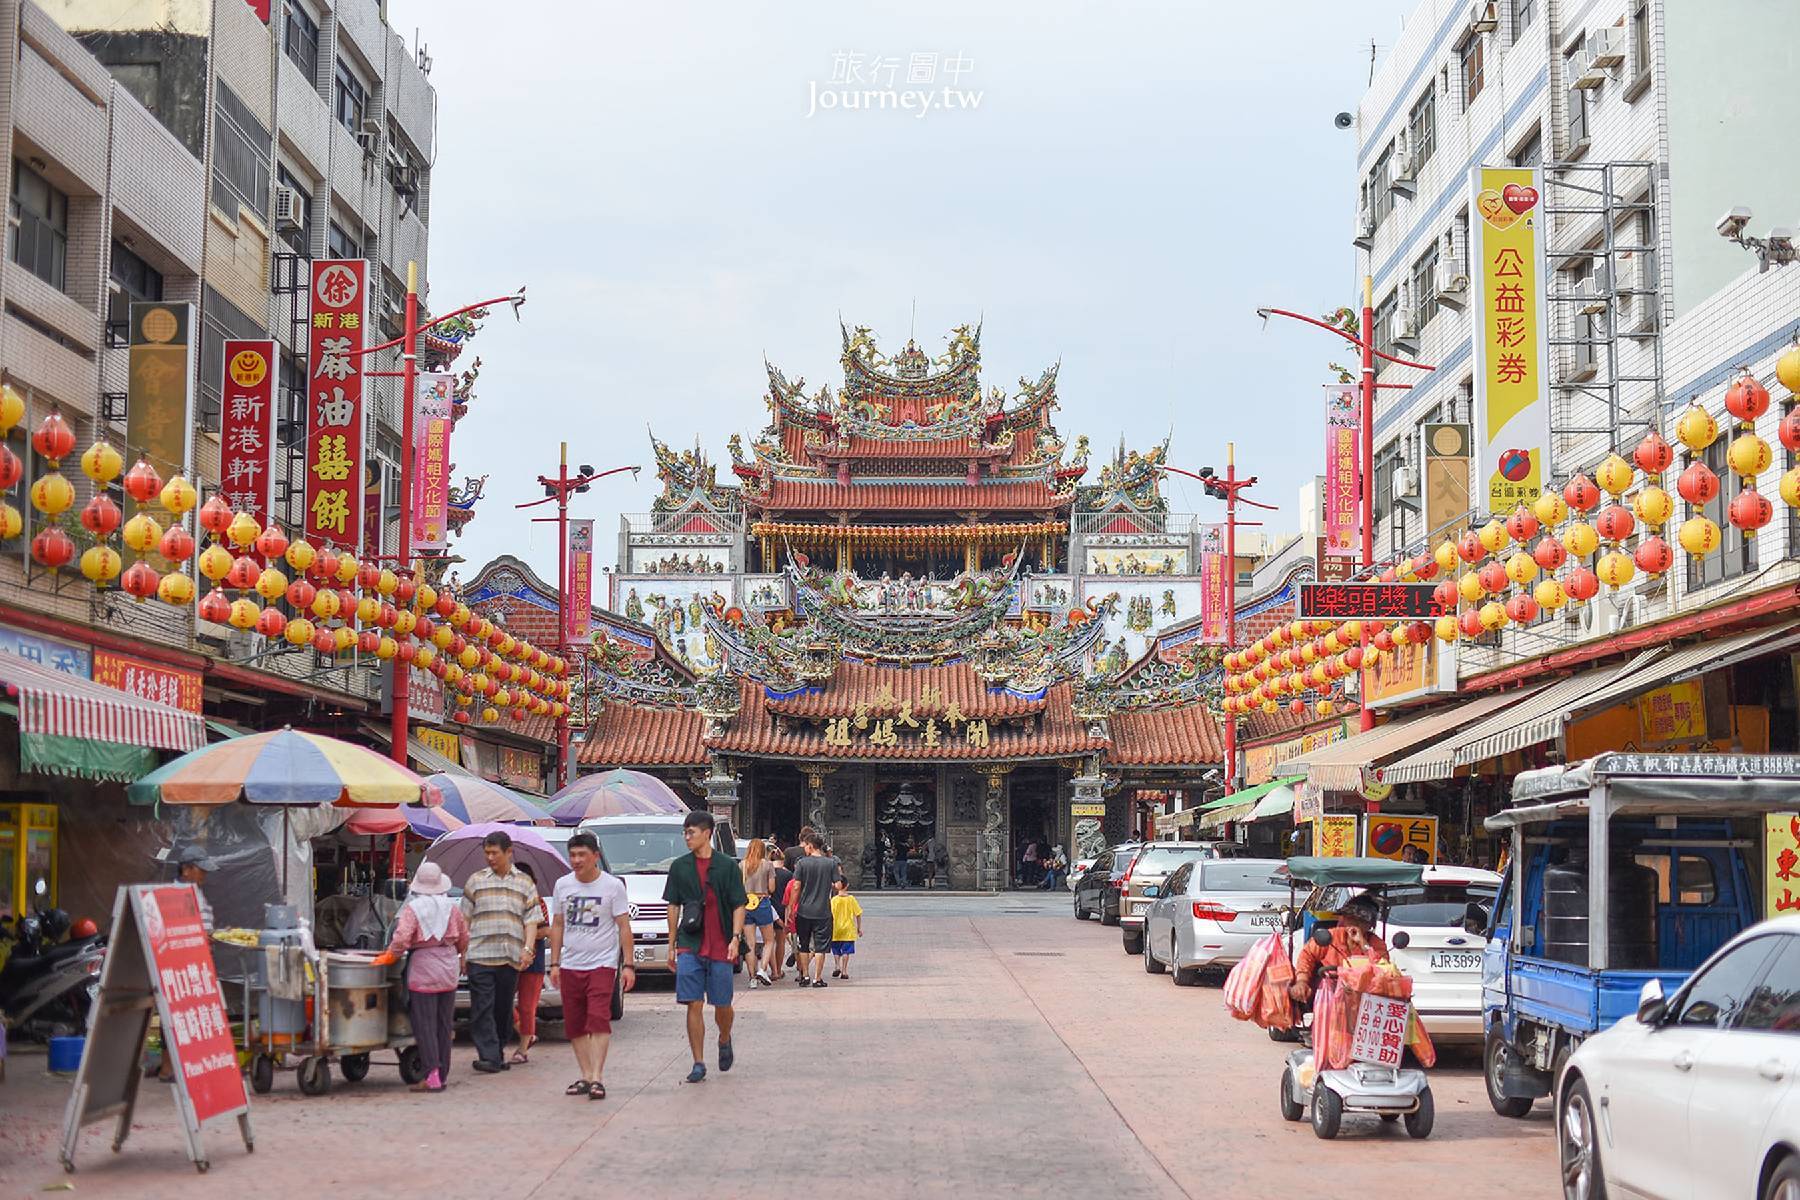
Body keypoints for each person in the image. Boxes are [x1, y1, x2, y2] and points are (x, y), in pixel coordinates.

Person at [662, 811, 746, 1084]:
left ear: (707, 833)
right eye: (685, 833)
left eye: (692, 832)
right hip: (691, 943)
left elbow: (738, 904)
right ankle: (698, 1062)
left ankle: (724, 1037)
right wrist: (671, 943)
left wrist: (735, 937)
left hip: (721, 944)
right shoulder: (679, 867)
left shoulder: (727, 866)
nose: (687, 837)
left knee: (723, 1004)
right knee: (693, 1003)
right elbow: (673, 905)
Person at [549, 831, 634, 1100]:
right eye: (572, 855)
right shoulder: (563, 885)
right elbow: (558, 924)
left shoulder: (612, 886)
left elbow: (623, 926)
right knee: (574, 1024)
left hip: (602, 963)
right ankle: (585, 1075)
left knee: (598, 1019)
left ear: (595, 856)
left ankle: (597, 1077)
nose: (576, 860)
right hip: (571, 963)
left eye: (582, 855)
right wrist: (554, 962)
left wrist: (628, 965)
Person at [460, 830, 540, 1074]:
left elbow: (532, 920)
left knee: (503, 1008)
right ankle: (490, 1057)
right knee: (482, 1006)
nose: (490, 858)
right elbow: (465, 919)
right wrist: (463, 952)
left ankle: (497, 1050)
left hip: (510, 957)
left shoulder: (524, 883)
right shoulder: (476, 881)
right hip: (480, 955)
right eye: (487, 853)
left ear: (508, 852)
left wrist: (528, 948)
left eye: (495, 853)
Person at [382, 862, 468, 1093]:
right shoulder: (452, 907)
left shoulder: (414, 908)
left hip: (423, 968)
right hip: (448, 968)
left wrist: (391, 956)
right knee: (443, 1023)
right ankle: (442, 1073)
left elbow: (400, 939)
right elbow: (464, 937)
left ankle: (431, 1075)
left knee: (425, 1024)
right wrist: (460, 954)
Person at [1289, 895, 1388, 1003]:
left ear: (1370, 925)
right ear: (1343, 919)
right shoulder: (1331, 936)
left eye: (1361, 921)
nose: (1355, 924)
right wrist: (1302, 981)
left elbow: (1384, 968)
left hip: (1364, 998)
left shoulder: (1376, 944)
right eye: (1351, 919)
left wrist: (1363, 944)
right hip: (1330, 996)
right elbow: (1307, 955)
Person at [791, 832, 842, 987]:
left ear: (811, 846)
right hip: (823, 911)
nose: (805, 848)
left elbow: (796, 886)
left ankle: (805, 975)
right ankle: (817, 978)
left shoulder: (802, 863)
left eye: (806, 846)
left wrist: (792, 905)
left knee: (804, 944)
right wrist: (829, 884)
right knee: (821, 946)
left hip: (804, 910)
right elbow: (839, 885)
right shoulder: (831, 863)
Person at [512, 862, 550, 1064]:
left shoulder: (538, 902)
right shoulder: (506, 901)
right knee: (500, 1000)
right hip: (508, 958)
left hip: (532, 960)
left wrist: (529, 934)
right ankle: (527, 1033)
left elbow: (546, 930)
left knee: (527, 1006)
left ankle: (522, 1048)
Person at [741, 838, 777, 987]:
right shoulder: (767, 865)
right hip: (762, 901)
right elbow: (772, 888)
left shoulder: (741, 865)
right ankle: (762, 969)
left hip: (746, 904)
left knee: (750, 943)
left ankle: (752, 979)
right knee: (769, 940)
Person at [767, 847, 793, 981]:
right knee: (781, 941)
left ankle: (773, 970)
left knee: (768, 941)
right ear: (783, 860)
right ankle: (778, 967)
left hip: (768, 907)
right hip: (782, 909)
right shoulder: (788, 875)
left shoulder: (767, 872)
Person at [829, 878, 863, 980]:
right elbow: (858, 914)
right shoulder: (851, 899)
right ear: (847, 885)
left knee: (836, 949)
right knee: (846, 951)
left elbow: (829, 915)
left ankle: (836, 965)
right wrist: (859, 928)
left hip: (835, 929)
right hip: (848, 929)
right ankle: (844, 970)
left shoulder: (833, 900)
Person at [176, 848, 217, 933]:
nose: (205, 874)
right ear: (186, 869)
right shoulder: (175, 894)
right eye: (202, 870)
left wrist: (215, 933)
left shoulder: (196, 890)